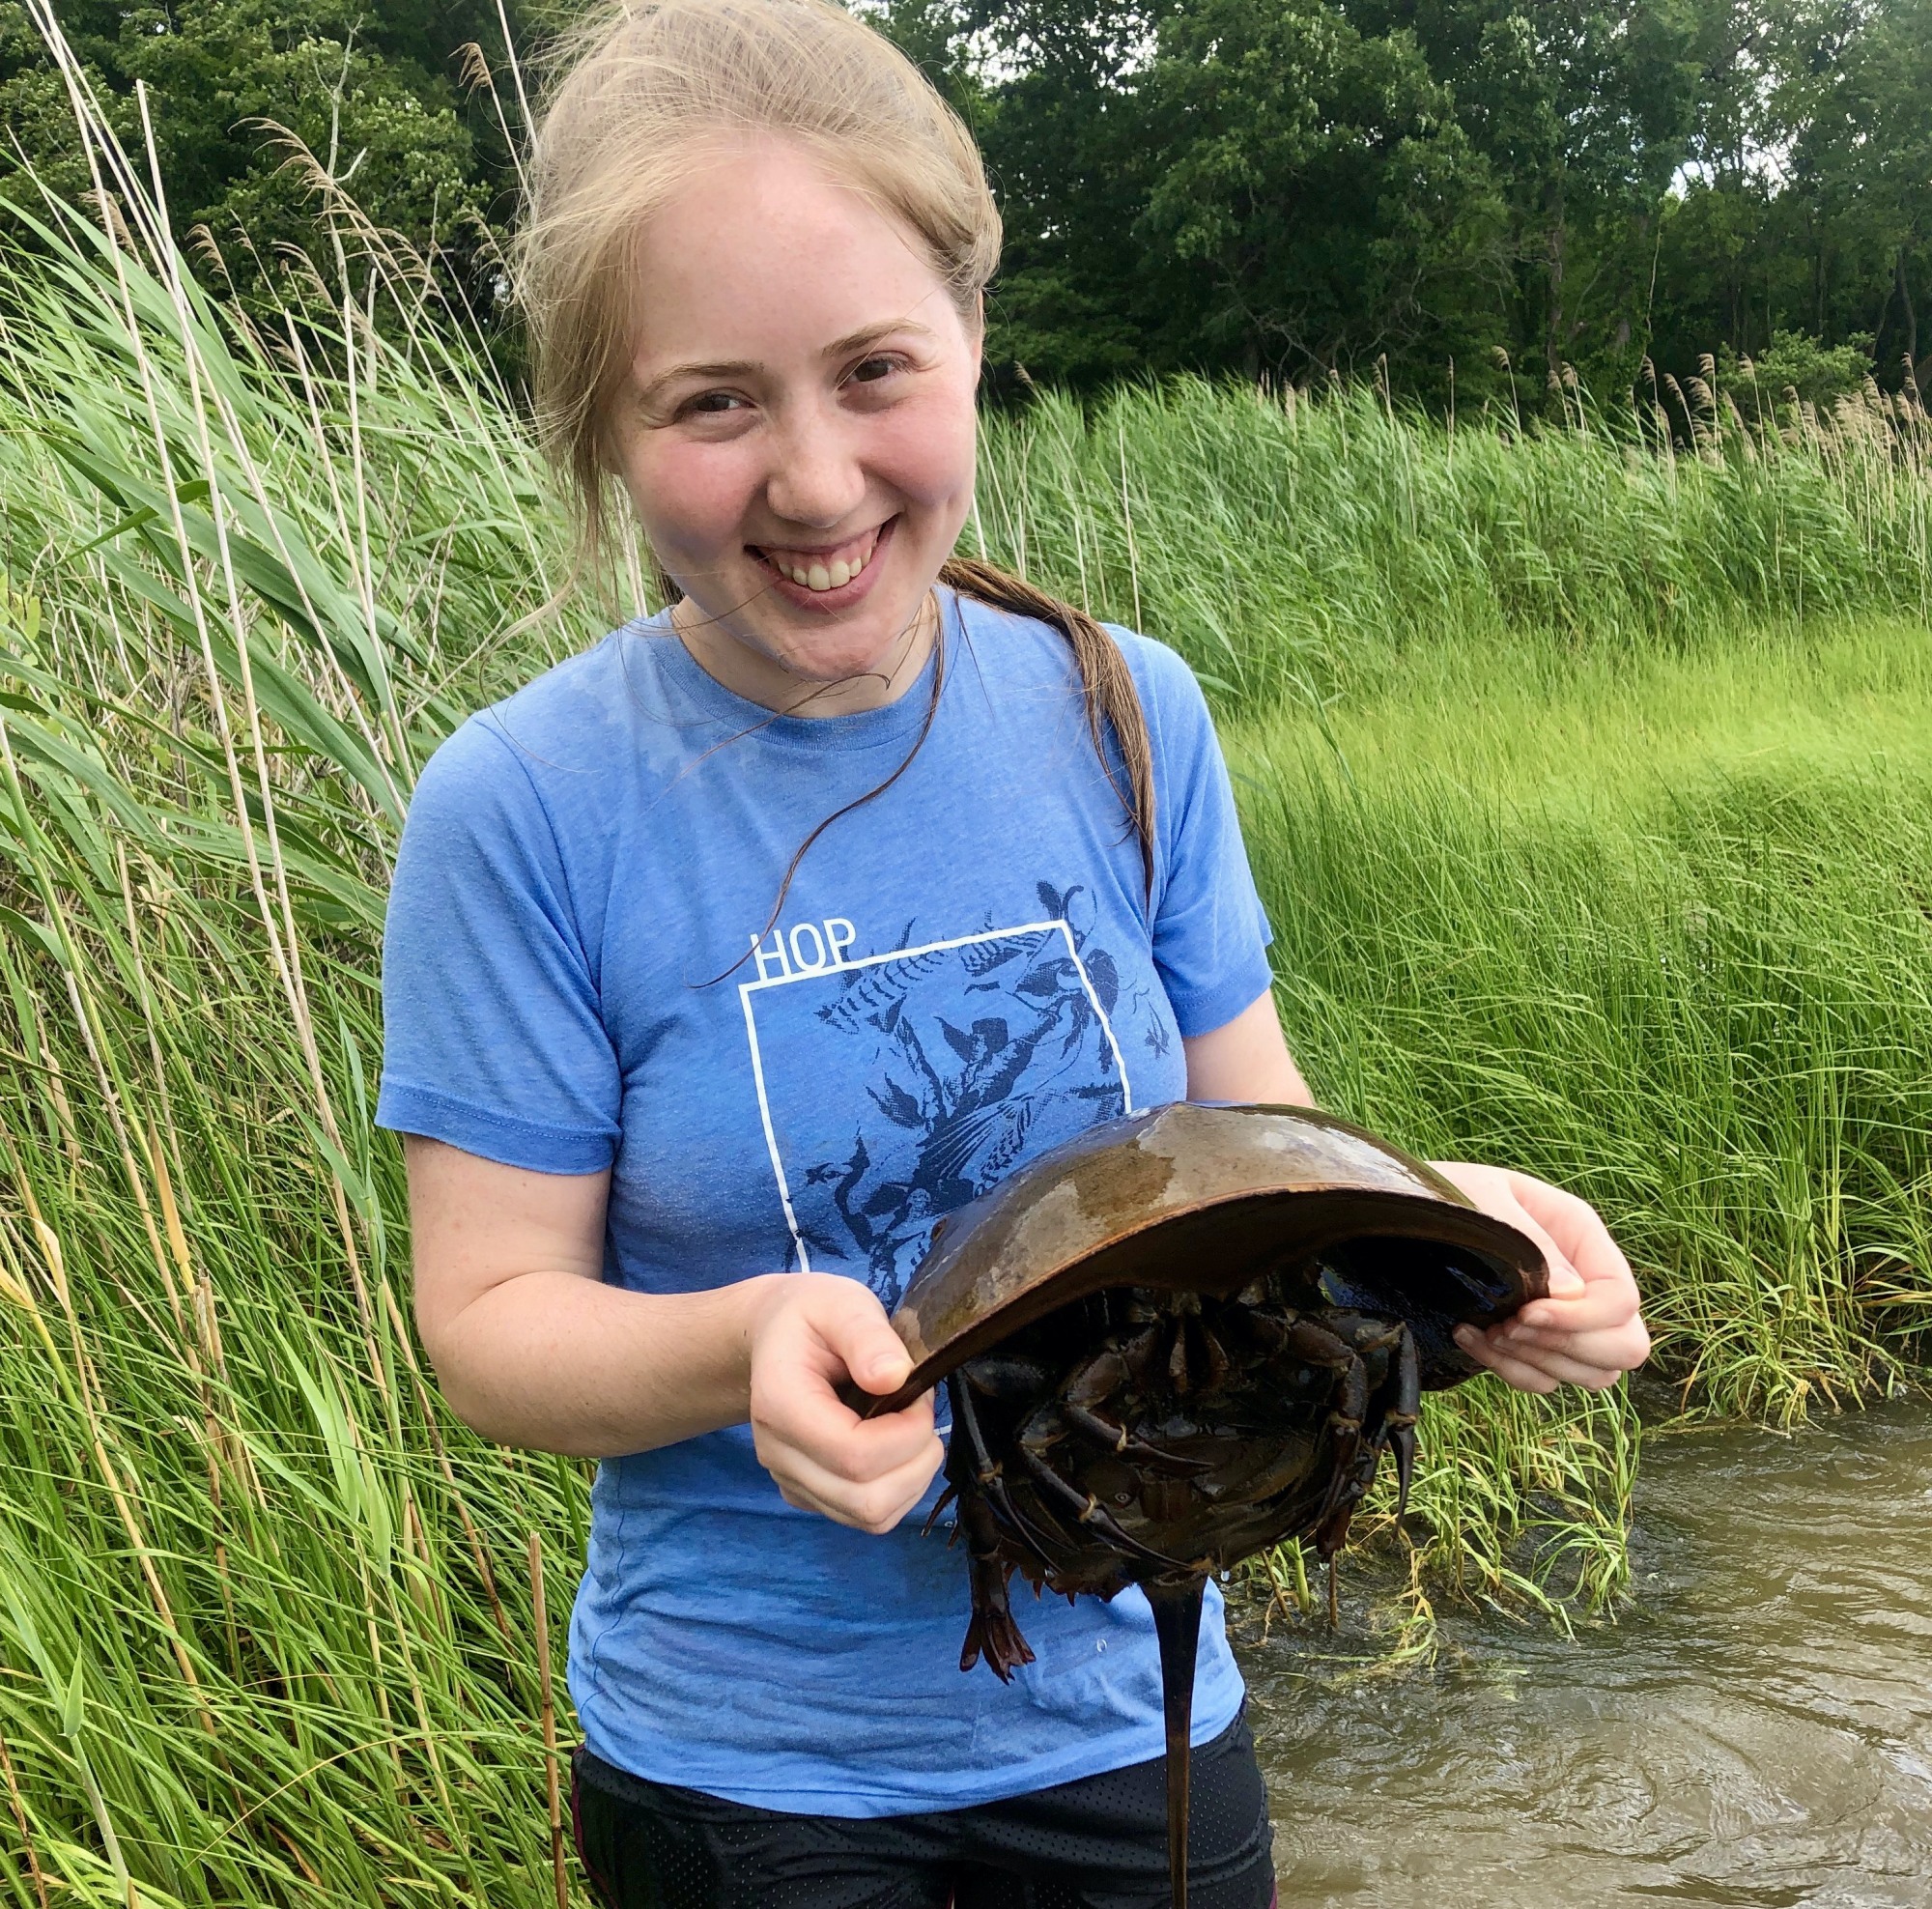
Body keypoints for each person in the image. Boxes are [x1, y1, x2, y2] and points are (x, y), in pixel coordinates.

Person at [376, 4, 1652, 1904]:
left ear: (973, 340)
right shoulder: (526, 807)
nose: (813, 485)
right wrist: (743, 1341)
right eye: (712, 401)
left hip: (1132, 1706)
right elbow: (490, 1333)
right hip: (754, 1772)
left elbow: (1256, 1163)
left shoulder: (1121, 710)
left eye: (874, 369)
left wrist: (1466, 1240)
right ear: (600, 426)